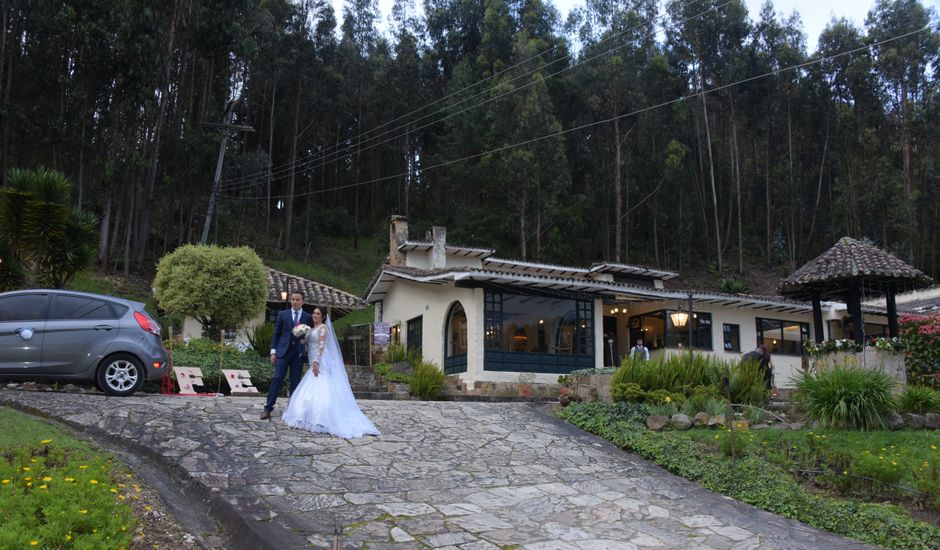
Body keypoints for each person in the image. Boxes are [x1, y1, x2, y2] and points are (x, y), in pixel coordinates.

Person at [282, 306, 380, 438]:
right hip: (312, 358)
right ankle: (308, 415)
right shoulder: (311, 329)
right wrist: (301, 337)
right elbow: (308, 344)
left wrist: (316, 361)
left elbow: (321, 346)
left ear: (323, 317)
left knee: (320, 383)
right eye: (314, 313)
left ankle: (322, 418)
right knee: (312, 384)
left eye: (317, 314)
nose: (315, 315)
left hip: (320, 360)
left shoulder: (323, 328)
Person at [261, 291, 312, 420]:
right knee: (277, 378)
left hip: (298, 354)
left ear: (303, 302)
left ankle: (293, 409)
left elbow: (310, 336)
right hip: (283, 352)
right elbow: (276, 334)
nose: (295, 302)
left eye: (298, 300)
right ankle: (268, 408)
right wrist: (273, 352)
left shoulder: (307, 317)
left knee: (295, 381)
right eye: (293, 299)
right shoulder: (283, 315)